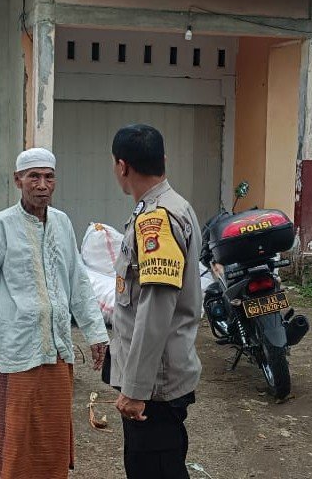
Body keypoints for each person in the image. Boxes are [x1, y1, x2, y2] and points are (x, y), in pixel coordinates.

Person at [0, 147, 109, 479]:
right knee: (15, 435)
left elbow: (78, 282)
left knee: (52, 435)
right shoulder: (0, 225)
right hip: (17, 349)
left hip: (57, 350)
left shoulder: (62, 223)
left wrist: (96, 334)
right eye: (34, 177)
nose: (42, 185)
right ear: (18, 181)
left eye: (49, 177)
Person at [109, 124, 202, 479]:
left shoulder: (157, 219)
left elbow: (156, 309)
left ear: (122, 166)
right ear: (163, 160)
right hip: (158, 378)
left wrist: (135, 389)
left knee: (154, 469)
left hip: (155, 387)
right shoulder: (170, 206)